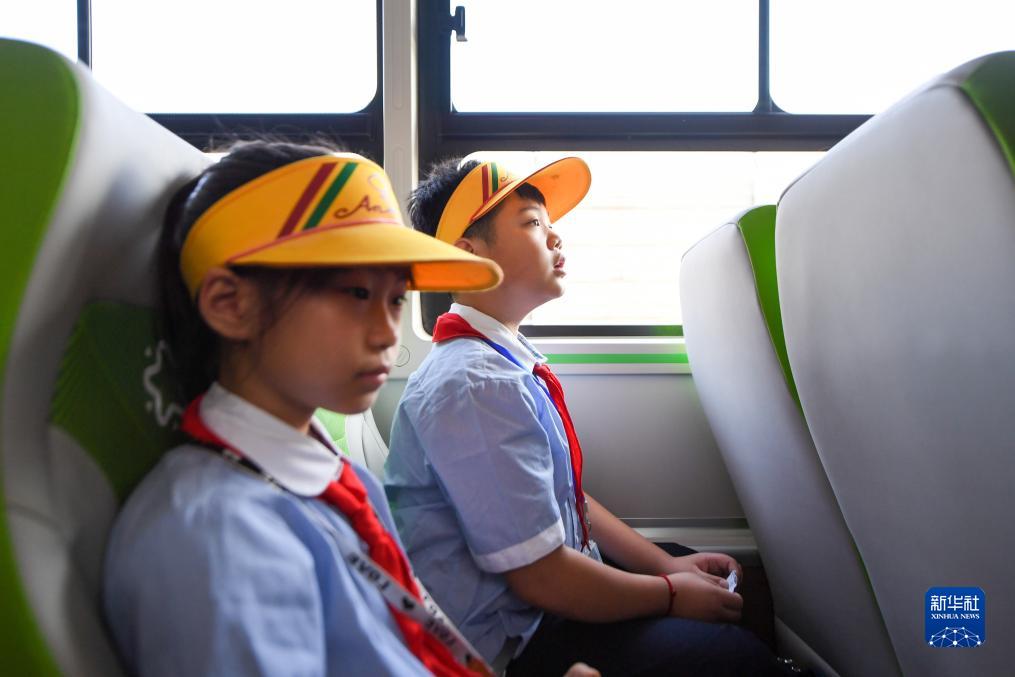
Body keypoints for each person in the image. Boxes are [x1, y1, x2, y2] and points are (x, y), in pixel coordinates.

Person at [102, 141, 516, 676]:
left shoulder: (335, 474)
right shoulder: (214, 541)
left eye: (396, 299)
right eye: (355, 293)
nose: (387, 333)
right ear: (231, 305)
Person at [384, 157, 785, 676]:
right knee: (733, 656)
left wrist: (665, 566)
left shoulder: (504, 361)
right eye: (533, 223)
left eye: (551, 225)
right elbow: (542, 577)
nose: (556, 238)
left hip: (545, 596)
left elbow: (566, 495)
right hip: (512, 640)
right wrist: (668, 593)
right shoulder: (475, 385)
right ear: (469, 255)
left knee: (719, 579)